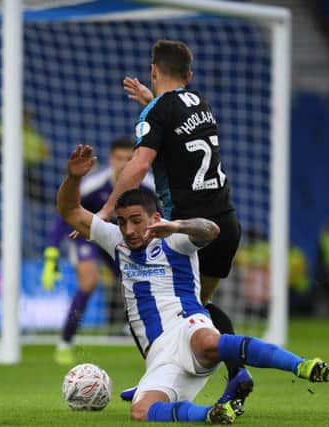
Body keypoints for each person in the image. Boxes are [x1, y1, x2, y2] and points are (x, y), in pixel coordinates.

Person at [58, 145, 329, 424]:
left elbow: (211, 230)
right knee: (140, 412)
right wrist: (73, 178)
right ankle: (212, 414)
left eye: (137, 221)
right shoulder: (115, 239)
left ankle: (301, 365)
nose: (129, 230)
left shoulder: (174, 238)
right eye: (123, 222)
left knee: (206, 342)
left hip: (188, 325)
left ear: (154, 218)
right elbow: (69, 210)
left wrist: (177, 227)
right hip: (159, 354)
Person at [96, 39, 251, 412]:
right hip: (225, 221)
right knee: (198, 307)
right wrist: (151, 102)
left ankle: (166, 376)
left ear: (153, 69)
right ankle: (236, 373)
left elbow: (138, 165)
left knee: (160, 301)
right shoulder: (200, 103)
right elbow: (174, 121)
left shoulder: (157, 113)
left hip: (187, 227)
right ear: (189, 75)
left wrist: (105, 210)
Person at [41, 137, 154, 365]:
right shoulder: (93, 184)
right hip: (86, 236)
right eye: (119, 158)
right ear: (111, 159)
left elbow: (159, 215)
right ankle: (65, 342)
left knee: (132, 280)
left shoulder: (148, 186)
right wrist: (52, 253)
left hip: (121, 238)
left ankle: (144, 335)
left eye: (129, 159)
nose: (123, 164)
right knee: (89, 281)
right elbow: (65, 213)